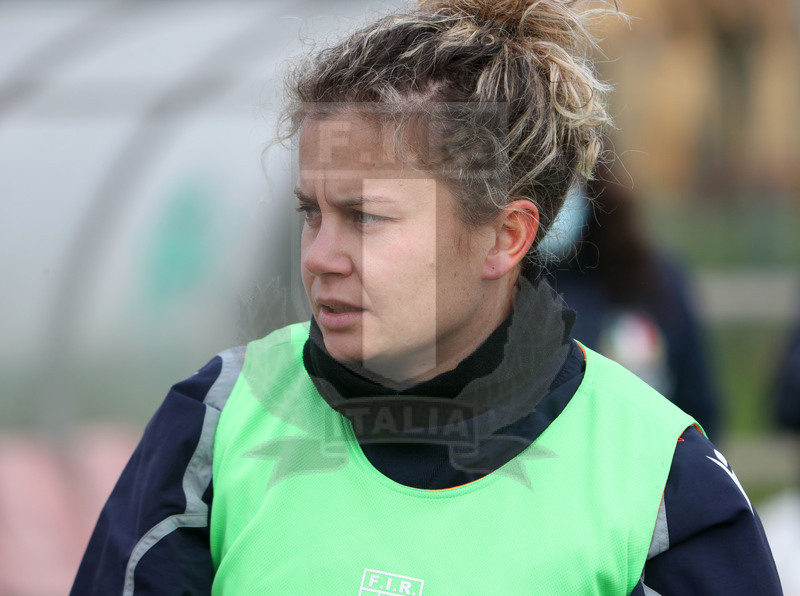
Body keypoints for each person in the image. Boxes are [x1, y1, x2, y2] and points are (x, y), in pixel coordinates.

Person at [71, 0, 782, 593]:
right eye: (311, 213)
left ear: (505, 237)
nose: (320, 258)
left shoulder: (661, 482)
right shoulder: (217, 424)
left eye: (366, 218)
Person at [545, 170, 722, 437]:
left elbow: (699, 405)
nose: (552, 199)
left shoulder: (654, 280)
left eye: (561, 178)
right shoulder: (506, 291)